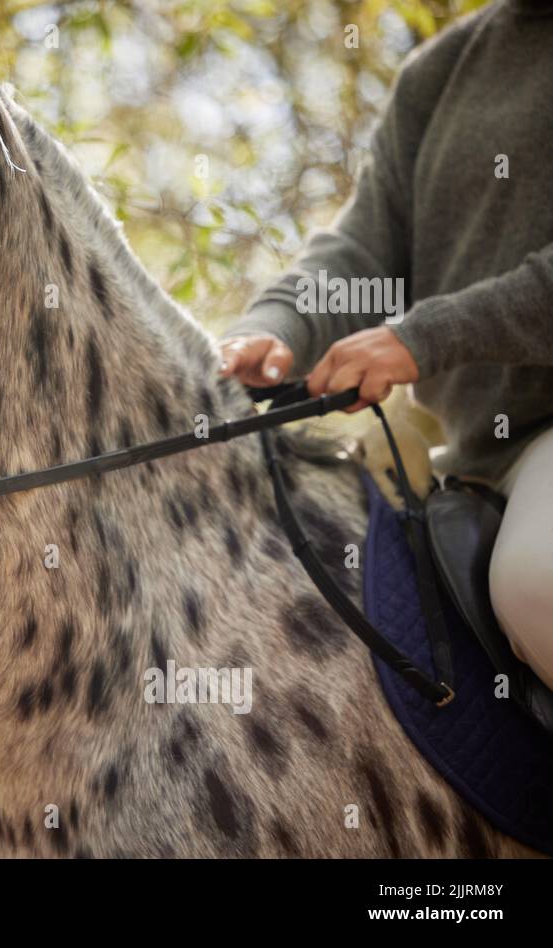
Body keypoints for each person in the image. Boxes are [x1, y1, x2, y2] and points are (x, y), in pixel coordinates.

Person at [218, 0, 553, 689]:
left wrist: (422, 337)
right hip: (479, 464)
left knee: (537, 582)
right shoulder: (441, 70)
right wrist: (273, 330)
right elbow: (361, 251)